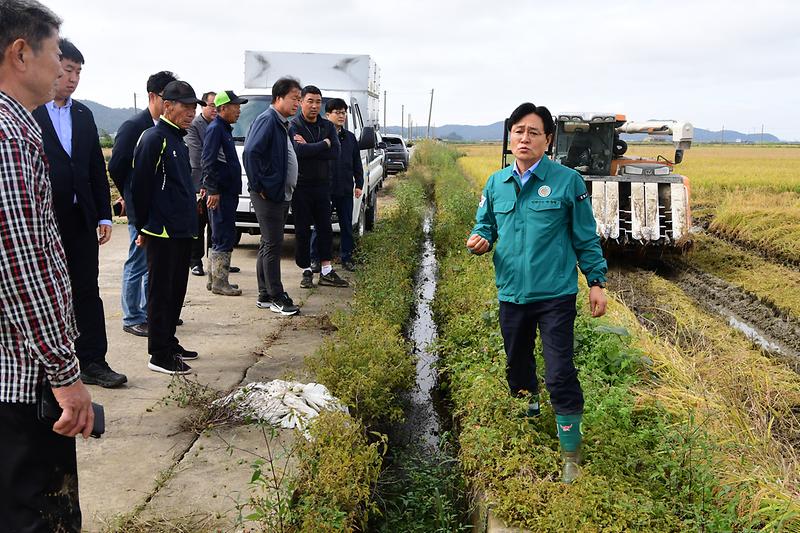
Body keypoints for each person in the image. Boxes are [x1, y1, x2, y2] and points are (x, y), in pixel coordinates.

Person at [466, 102, 608, 484]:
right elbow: (486, 224)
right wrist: (481, 238)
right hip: (511, 293)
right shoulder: (496, 183)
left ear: (548, 140)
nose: (524, 138)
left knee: (559, 371)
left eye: (533, 132)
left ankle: (570, 457)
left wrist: (595, 282)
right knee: (517, 363)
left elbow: (585, 236)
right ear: (510, 137)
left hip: (555, 295)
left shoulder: (567, 182)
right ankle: (527, 424)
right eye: (518, 131)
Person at [0, 2, 94, 530]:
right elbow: (19, 267)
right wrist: (65, 374)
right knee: (36, 513)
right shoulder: (9, 137)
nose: (63, 68)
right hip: (21, 373)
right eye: (57, 55)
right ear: (20, 53)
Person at [32, 38, 127, 389]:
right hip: (43, 221)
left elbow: (94, 169)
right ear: (53, 68)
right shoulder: (29, 113)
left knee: (86, 289)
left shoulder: (83, 115)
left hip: (80, 219)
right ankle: (48, 366)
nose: (72, 78)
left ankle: (93, 360)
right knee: (46, 293)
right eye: (67, 69)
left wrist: (104, 215)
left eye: (77, 72)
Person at [128, 80, 203, 375]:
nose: (190, 112)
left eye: (193, 107)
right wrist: (142, 227)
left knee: (176, 292)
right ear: (167, 105)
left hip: (182, 230)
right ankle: (158, 354)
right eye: (185, 107)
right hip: (161, 232)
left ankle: (169, 341)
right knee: (161, 293)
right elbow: (140, 187)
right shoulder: (154, 138)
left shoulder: (178, 140)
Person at [108, 70, 177, 337]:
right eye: (167, 97)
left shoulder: (165, 127)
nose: (171, 103)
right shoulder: (134, 126)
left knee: (154, 261)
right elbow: (117, 165)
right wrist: (129, 192)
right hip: (140, 205)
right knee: (137, 260)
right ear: (153, 96)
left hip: (157, 205)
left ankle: (152, 312)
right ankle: (132, 316)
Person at [242, 77, 302, 315]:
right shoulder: (268, 120)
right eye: (294, 98)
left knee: (268, 243)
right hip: (269, 195)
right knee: (273, 244)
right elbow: (250, 153)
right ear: (278, 98)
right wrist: (261, 186)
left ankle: (265, 295)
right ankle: (277, 296)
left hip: (277, 193)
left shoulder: (281, 122)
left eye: (299, 98)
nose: (297, 103)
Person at [289, 85, 348, 289]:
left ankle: (326, 270)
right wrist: (324, 144)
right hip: (301, 187)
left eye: (318, 102)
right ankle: (305, 271)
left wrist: (311, 147)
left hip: (323, 186)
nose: (314, 106)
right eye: (310, 101)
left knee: (325, 229)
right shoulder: (294, 125)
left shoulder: (327, 126)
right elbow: (298, 152)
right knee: (302, 231)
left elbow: (336, 153)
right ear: (301, 102)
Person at [203, 90, 248, 296]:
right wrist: (212, 189)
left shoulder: (224, 129)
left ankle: (215, 280)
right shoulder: (216, 129)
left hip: (227, 191)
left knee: (220, 234)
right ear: (223, 108)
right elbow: (208, 160)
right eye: (235, 106)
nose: (239, 110)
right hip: (220, 193)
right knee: (223, 234)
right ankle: (221, 282)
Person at [313, 98, 363, 272]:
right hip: (325, 189)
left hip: (344, 188)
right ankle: (315, 259)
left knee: (346, 225)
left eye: (344, 112)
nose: (342, 116)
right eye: (338, 112)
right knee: (321, 225)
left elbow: (357, 163)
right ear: (327, 115)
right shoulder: (321, 135)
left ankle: (346, 257)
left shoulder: (349, 138)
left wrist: (359, 183)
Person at [185, 90, 216, 277]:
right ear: (203, 106)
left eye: (216, 106)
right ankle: (195, 261)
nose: (214, 109)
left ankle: (215, 262)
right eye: (211, 105)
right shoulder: (194, 126)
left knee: (215, 225)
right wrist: (205, 183)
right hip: (199, 182)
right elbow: (197, 156)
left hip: (215, 182)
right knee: (199, 224)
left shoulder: (219, 125)